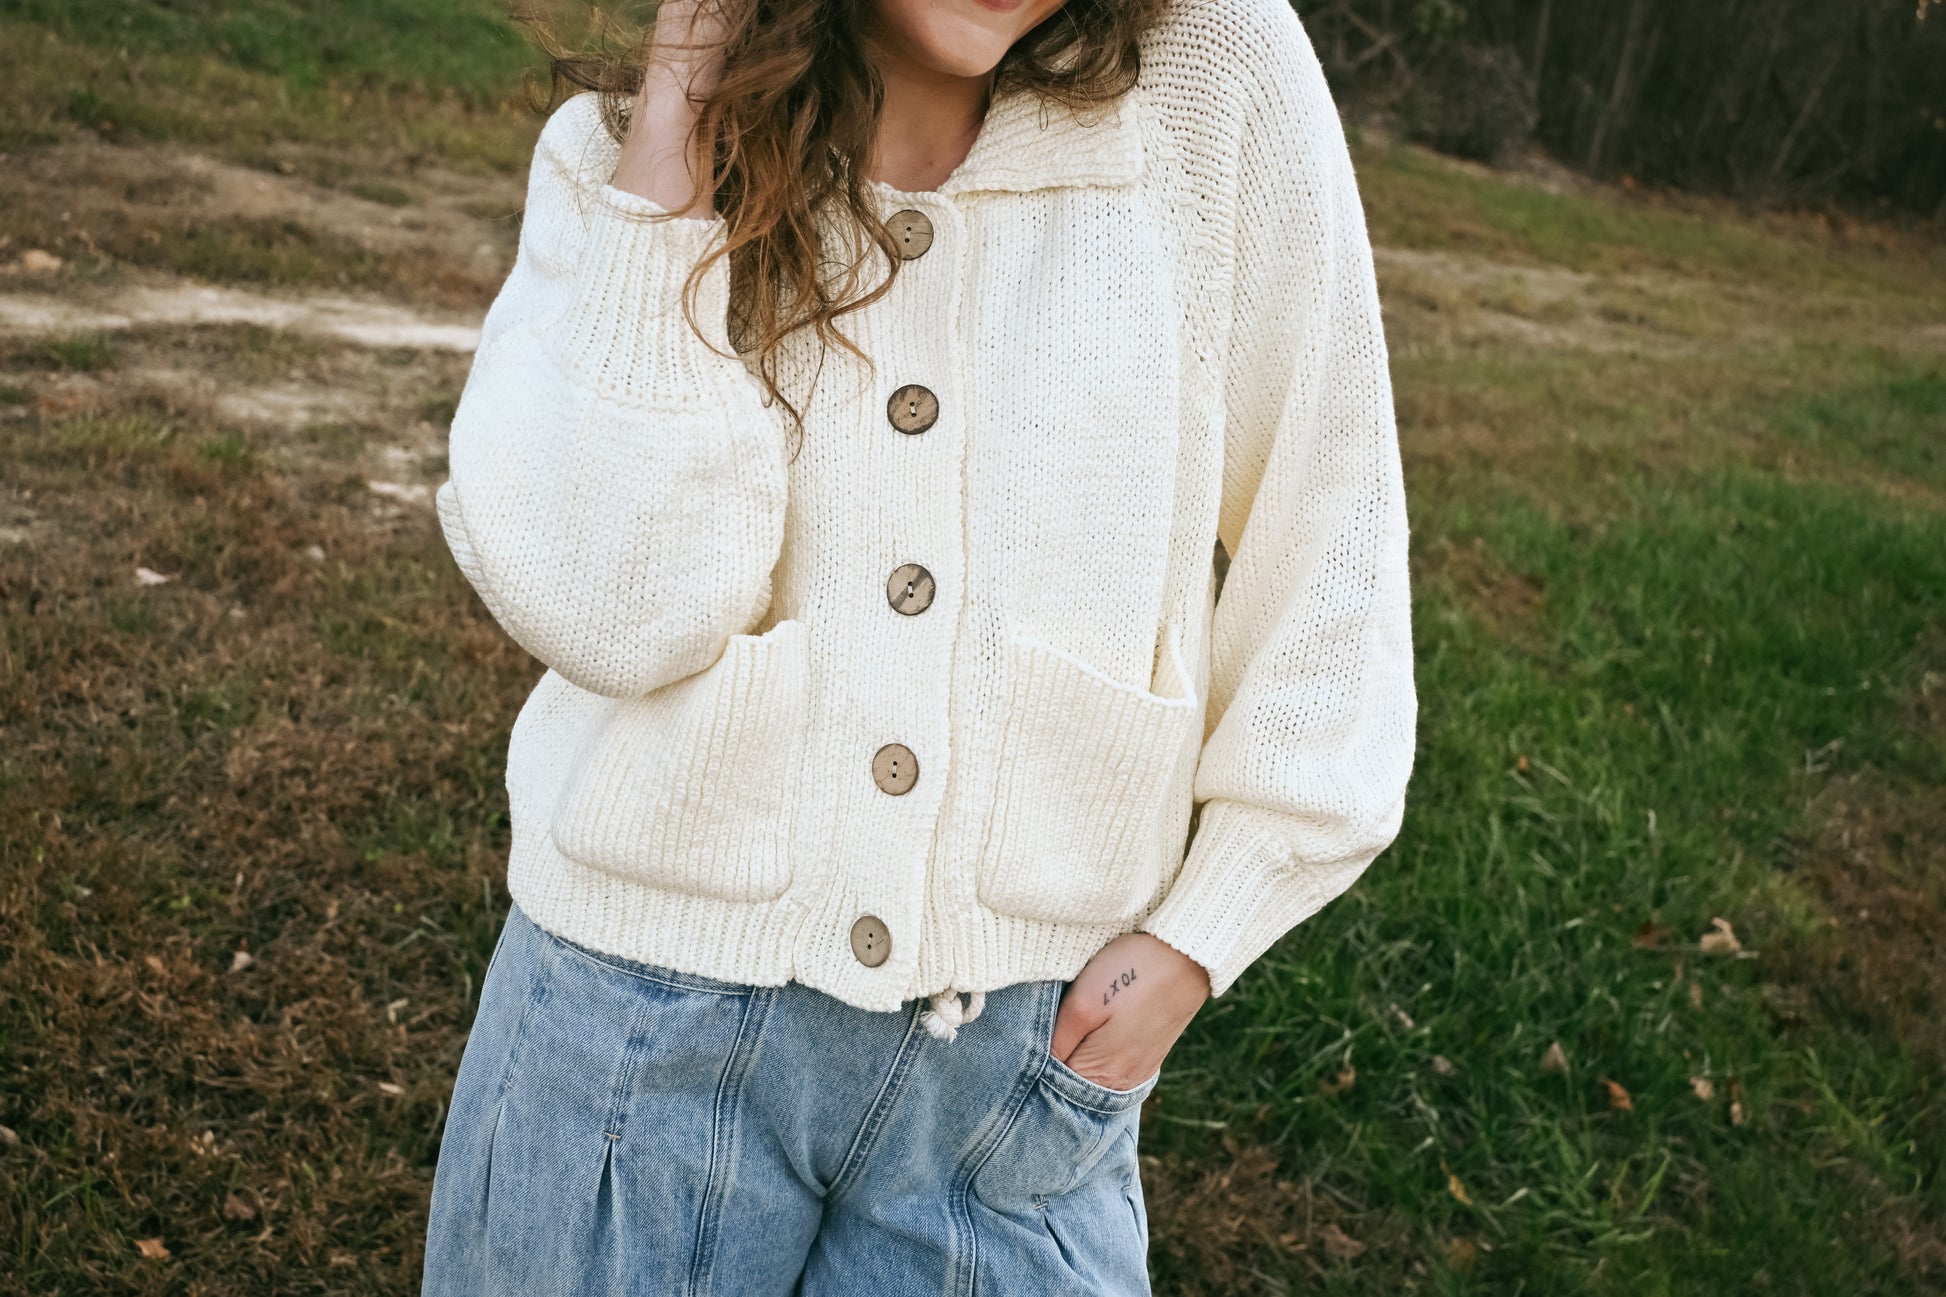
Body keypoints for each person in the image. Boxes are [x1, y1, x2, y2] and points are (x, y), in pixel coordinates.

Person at [419, 0, 1417, 1285]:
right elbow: (610, 607)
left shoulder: (1209, 72)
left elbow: (1332, 523)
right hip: (630, 1036)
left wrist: (1207, 926)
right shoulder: (621, 159)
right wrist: (677, 126)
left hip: (1015, 1071)